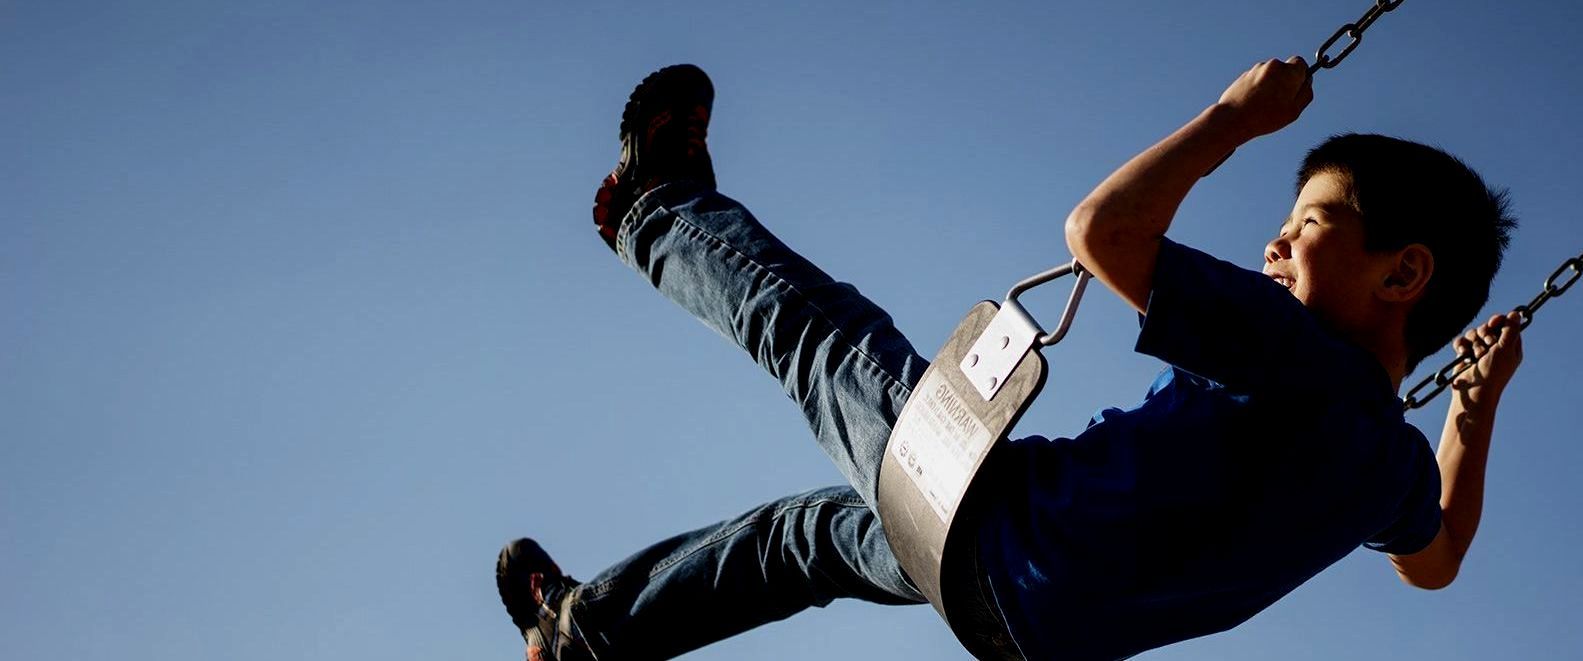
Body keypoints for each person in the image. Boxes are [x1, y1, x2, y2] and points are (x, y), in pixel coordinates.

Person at [496, 59, 1522, 660]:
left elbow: (1102, 233)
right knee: (805, 537)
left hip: (998, 524)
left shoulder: (1293, 347)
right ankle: (584, 633)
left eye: (1309, 223)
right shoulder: (1387, 466)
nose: (1276, 242)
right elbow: (1434, 562)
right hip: (1024, 627)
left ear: (1401, 274)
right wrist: (1466, 422)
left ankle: (655, 210)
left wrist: (1232, 120)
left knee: (821, 336)